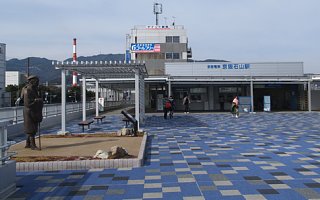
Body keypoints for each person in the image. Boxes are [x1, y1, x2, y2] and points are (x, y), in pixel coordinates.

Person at [20, 75, 43, 150]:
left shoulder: (32, 89)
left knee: (32, 127)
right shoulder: (28, 90)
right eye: (37, 82)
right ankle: (33, 145)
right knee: (31, 128)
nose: (38, 83)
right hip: (29, 111)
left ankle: (28, 144)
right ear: (32, 81)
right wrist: (37, 101)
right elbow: (28, 103)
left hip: (33, 111)